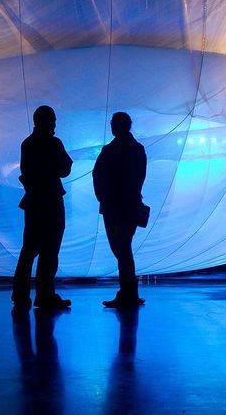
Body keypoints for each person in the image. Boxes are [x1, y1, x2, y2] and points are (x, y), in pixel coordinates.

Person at [12, 105, 73, 309]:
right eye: (53, 119)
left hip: (33, 202)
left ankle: (20, 294)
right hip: (51, 201)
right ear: (46, 121)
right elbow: (65, 169)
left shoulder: (27, 144)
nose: (55, 123)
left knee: (29, 249)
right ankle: (45, 295)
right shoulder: (53, 143)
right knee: (50, 249)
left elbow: (25, 171)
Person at [93, 112, 147, 308]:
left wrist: (104, 197)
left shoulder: (109, 151)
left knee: (121, 249)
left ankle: (128, 293)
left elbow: (97, 176)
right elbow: (140, 177)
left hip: (114, 207)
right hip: (129, 205)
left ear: (114, 127)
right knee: (124, 248)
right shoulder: (137, 149)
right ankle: (128, 292)